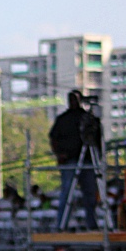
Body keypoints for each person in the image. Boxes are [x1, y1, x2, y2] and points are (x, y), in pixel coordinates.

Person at [49, 90, 98, 231]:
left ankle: (92, 224)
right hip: (69, 160)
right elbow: (53, 138)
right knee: (66, 192)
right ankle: (61, 224)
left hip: (87, 160)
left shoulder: (87, 118)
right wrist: (59, 155)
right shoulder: (63, 119)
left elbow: (96, 138)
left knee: (90, 193)